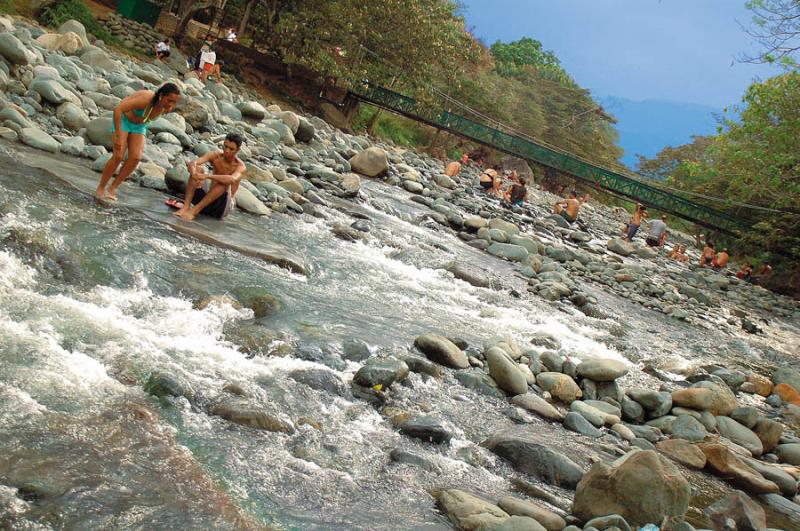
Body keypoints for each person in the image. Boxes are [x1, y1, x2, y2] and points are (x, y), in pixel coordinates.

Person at [95, 83, 181, 201]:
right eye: (169, 100)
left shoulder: (166, 108)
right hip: (124, 120)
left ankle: (113, 188)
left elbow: (148, 117)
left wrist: (166, 107)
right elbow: (118, 109)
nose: (171, 105)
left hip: (140, 126)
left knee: (136, 157)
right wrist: (118, 134)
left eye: (174, 102)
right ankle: (101, 187)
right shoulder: (146, 100)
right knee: (118, 155)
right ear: (161, 95)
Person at [168, 133, 246, 221]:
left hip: (220, 207)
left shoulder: (240, 166)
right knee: (197, 170)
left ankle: (193, 211)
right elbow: (193, 163)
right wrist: (194, 173)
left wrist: (207, 176)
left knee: (224, 182)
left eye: (231, 149)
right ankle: (185, 207)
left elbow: (231, 179)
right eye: (225, 146)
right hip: (206, 201)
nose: (226, 151)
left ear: (238, 150)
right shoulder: (215, 156)